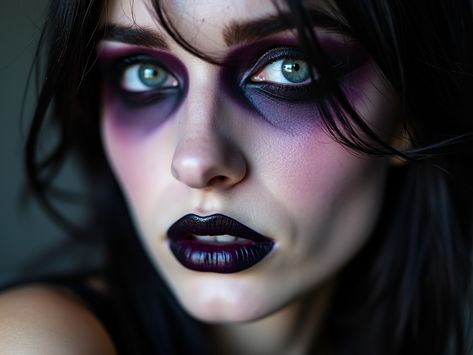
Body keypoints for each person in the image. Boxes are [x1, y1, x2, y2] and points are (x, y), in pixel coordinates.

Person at [0, 0, 472, 354]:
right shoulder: (37, 339)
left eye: (291, 69)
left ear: (406, 114)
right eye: (144, 73)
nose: (196, 161)